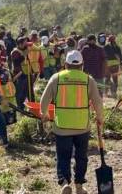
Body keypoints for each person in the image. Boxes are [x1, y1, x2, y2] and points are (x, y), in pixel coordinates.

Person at [40, 50, 104, 194]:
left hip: (62, 127)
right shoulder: (89, 80)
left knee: (63, 156)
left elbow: (44, 100)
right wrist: (100, 118)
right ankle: (79, 186)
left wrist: (43, 114)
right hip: (82, 127)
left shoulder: (56, 78)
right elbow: (98, 103)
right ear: (82, 65)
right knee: (81, 157)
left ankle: (64, 183)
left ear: (66, 64)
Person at [11, 37, 33, 108]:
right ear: (20, 44)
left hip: (28, 74)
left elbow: (28, 61)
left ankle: (32, 106)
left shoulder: (25, 50)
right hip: (20, 75)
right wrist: (24, 54)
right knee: (21, 93)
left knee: (30, 91)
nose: (26, 44)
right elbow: (16, 62)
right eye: (24, 43)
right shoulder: (15, 52)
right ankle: (21, 108)